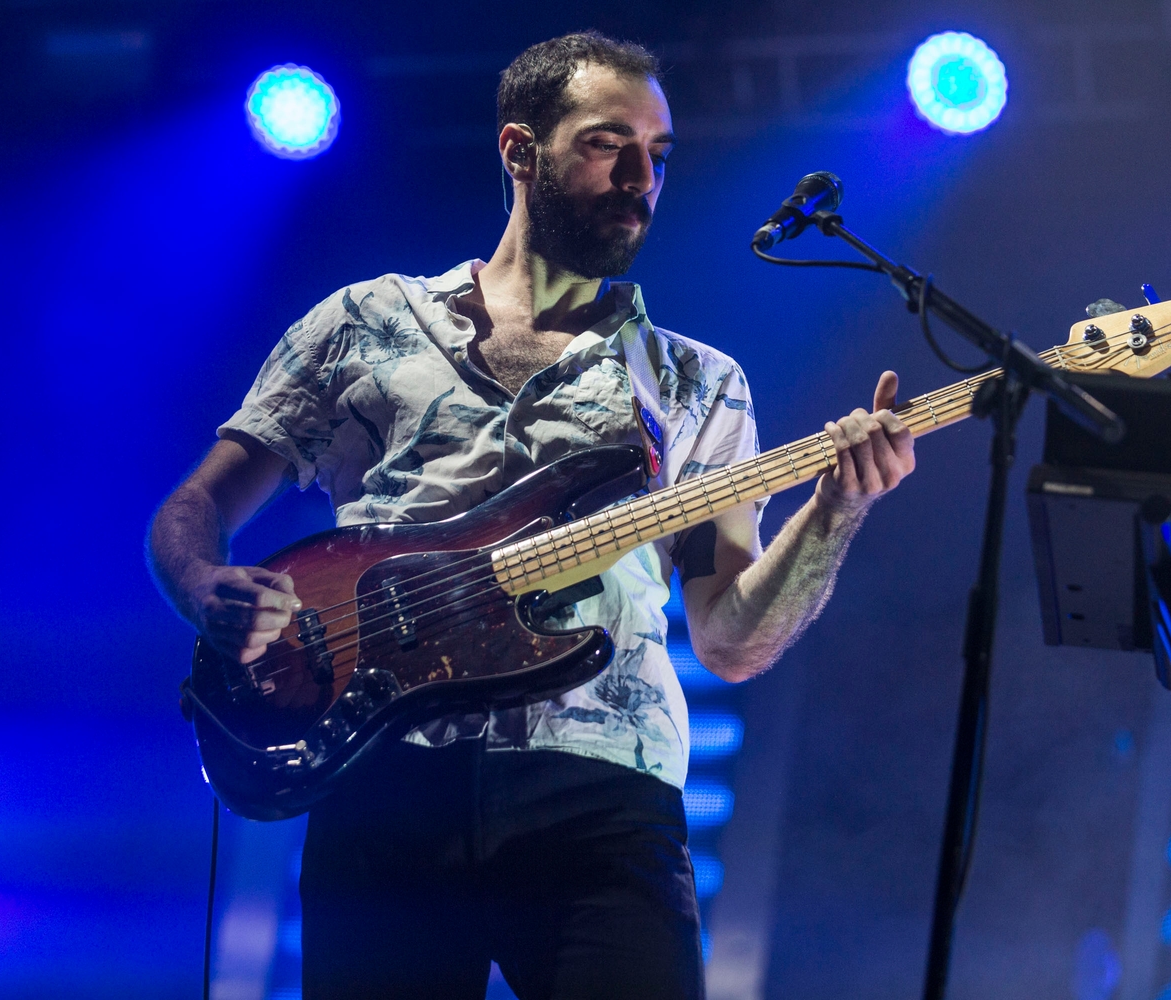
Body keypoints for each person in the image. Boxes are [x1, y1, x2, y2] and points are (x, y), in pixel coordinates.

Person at [148, 31, 915, 1000]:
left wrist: (836, 512)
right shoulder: (365, 323)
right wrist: (206, 583)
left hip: (601, 791)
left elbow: (730, 639)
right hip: (387, 773)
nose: (642, 176)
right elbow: (193, 507)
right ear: (520, 150)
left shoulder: (697, 383)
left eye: (660, 155)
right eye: (608, 144)